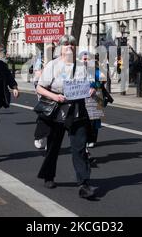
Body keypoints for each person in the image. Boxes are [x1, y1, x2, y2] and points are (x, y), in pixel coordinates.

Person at [35, 35, 97, 199]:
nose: (69, 46)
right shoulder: (53, 65)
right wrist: (55, 97)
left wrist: (92, 90)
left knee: (79, 147)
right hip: (57, 111)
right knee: (53, 146)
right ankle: (49, 175)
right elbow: (40, 88)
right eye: (65, 44)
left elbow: (91, 85)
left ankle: (83, 184)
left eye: (72, 44)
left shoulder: (83, 66)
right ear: (60, 48)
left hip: (77, 111)